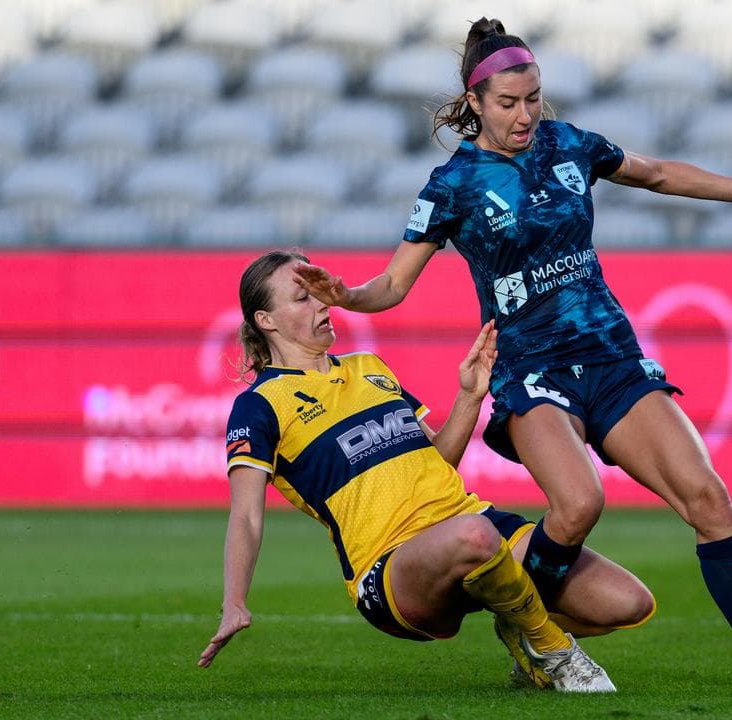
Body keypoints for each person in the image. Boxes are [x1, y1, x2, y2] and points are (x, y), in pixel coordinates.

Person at [293, 18, 732, 695]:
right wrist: (349, 295)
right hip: (530, 370)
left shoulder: (570, 144)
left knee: (708, 498)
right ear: (474, 103)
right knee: (579, 504)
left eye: (533, 99)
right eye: (507, 103)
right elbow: (393, 286)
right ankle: (533, 631)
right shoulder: (452, 184)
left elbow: (658, 174)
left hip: (610, 356)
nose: (525, 115)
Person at [198, 249, 655, 693]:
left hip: (466, 524)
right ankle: (551, 647)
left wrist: (470, 395)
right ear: (266, 320)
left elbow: (439, 460)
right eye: (303, 298)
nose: (323, 303)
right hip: (391, 566)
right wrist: (234, 601)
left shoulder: (368, 367)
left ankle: (514, 623)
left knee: (629, 603)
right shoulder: (259, 406)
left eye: (319, 292)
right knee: (475, 536)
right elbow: (246, 515)